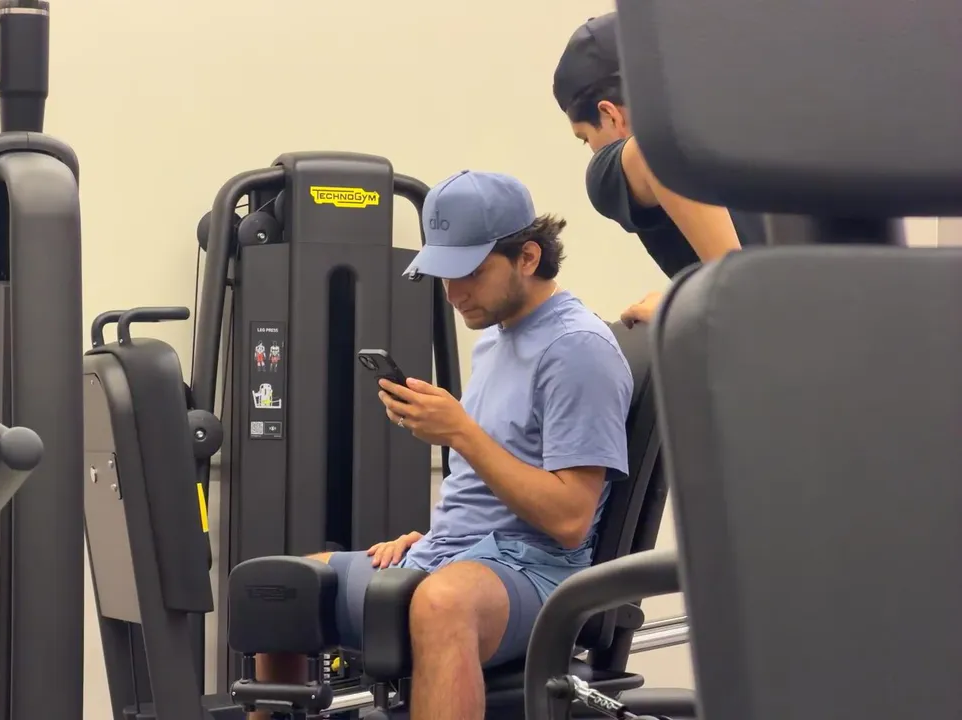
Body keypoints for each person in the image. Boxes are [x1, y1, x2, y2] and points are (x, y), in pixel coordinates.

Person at [253, 171, 633, 720]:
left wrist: (460, 433)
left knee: (442, 602)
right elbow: (489, 484)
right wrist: (439, 538)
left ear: (528, 257)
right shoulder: (496, 339)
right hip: (455, 555)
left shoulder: (577, 349)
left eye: (471, 273)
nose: (454, 295)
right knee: (280, 587)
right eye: (445, 276)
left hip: (537, 571)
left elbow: (571, 519)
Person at [553, 11, 767, 327]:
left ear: (610, 114)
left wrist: (725, 294)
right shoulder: (753, 131)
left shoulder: (608, 170)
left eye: (585, 138)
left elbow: (651, 156)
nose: (592, 150)